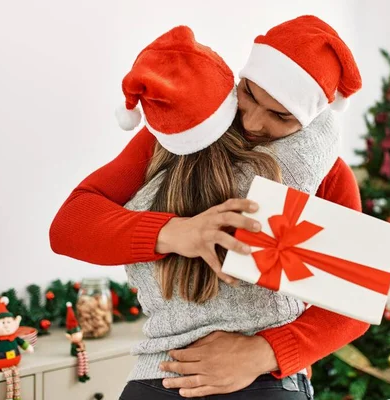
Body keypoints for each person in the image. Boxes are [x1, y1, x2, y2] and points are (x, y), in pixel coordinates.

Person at [50, 15, 368, 398]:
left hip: (264, 382)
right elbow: (69, 226)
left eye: (280, 115)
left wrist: (262, 353)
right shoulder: (179, 137)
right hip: (160, 375)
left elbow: (354, 302)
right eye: (249, 94)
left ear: (310, 116)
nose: (251, 121)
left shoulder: (325, 175)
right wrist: (176, 233)